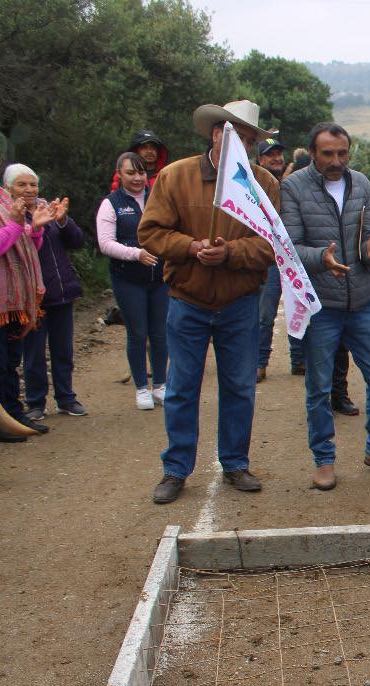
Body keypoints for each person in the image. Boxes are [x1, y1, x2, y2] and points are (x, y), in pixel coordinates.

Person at [137, 100, 279, 504]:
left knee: (239, 387)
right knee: (182, 387)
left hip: (239, 302)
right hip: (188, 300)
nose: (245, 144)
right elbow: (151, 232)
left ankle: (235, 463)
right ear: (216, 133)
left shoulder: (264, 184)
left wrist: (230, 253)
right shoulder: (174, 176)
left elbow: (271, 246)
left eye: (251, 138)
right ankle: (176, 468)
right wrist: (192, 246)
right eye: (238, 135)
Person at [281, 122, 370, 490]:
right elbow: (289, 246)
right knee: (320, 387)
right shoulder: (293, 187)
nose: (336, 161)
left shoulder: (360, 184)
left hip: (362, 301)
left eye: (342, 153)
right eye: (328, 154)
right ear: (312, 152)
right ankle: (323, 460)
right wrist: (321, 258)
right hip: (321, 304)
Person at [0, 147, 61, 440]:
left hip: (14, 295)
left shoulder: (3, 200)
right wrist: (17, 223)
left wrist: (35, 229)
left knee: (12, 357)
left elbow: (23, 248)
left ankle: (14, 413)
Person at [5, 165, 87, 419]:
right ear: (9, 188)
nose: (29, 190)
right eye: (22, 184)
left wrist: (63, 220)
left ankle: (66, 397)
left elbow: (77, 241)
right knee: (34, 354)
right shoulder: (10, 215)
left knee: (63, 349)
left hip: (61, 291)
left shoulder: (48, 210)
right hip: (32, 297)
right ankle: (35, 402)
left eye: (33, 184)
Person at [99, 152, 167, 410]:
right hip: (128, 279)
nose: (137, 178)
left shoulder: (157, 197)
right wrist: (135, 254)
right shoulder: (111, 203)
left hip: (160, 277)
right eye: (131, 173)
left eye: (141, 173)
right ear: (120, 174)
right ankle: (141, 387)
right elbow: (105, 243)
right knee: (138, 333)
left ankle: (160, 385)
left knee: (160, 333)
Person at [254, 137, 302, 382]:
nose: (277, 157)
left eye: (279, 153)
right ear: (260, 159)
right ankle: (260, 362)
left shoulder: (293, 182)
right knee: (266, 312)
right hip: (269, 255)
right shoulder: (255, 182)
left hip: (293, 253)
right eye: (270, 154)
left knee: (299, 305)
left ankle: (299, 359)